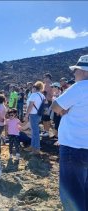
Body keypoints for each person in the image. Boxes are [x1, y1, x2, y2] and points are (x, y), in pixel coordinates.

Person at [51, 55, 88, 211]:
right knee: (84, 192)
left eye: (76, 71)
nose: (74, 74)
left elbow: (55, 106)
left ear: (84, 71)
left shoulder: (80, 87)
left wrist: (64, 108)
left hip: (74, 147)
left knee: (72, 194)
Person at [24, 81, 45, 155]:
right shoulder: (42, 95)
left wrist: (26, 115)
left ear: (35, 88)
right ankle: (33, 146)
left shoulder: (34, 95)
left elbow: (30, 106)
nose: (31, 89)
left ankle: (36, 149)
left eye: (33, 87)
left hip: (33, 115)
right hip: (38, 115)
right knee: (34, 131)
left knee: (35, 132)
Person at [41, 73, 53, 137]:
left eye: (46, 77)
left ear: (49, 78)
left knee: (47, 118)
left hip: (48, 103)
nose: (44, 79)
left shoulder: (51, 86)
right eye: (44, 77)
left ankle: (47, 131)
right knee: (43, 118)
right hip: (43, 103)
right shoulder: (43, 85)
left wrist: (46, 96)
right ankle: (45, 130)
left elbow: (52, 96)